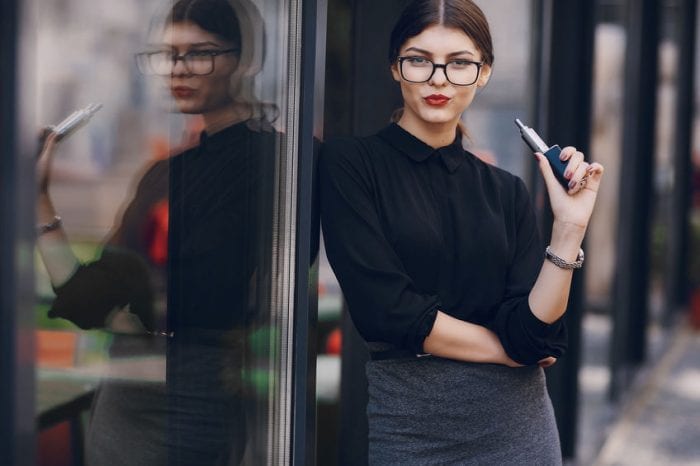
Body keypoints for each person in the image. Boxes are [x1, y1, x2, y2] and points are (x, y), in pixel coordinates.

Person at [319, 0, 604, 464]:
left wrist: (569, 228)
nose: (439, 78)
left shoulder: (504, 190)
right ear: (395, 67)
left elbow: (536, 332)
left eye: (459, 64)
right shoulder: (351, 165)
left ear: (484, 72)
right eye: (419, 60)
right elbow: (387, 312)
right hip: (413, 429)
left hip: (520, 430)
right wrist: (507, 351)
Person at [35, 0, 276, 464]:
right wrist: (40, 197)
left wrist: (126, 310)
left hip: (194, 396)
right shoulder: (163, 174)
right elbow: (88, 298)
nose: (178, 70)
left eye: (198, 53)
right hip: (124, 393)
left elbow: (193, 300)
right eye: (169, 55)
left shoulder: (276, 163)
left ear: (243, 59)